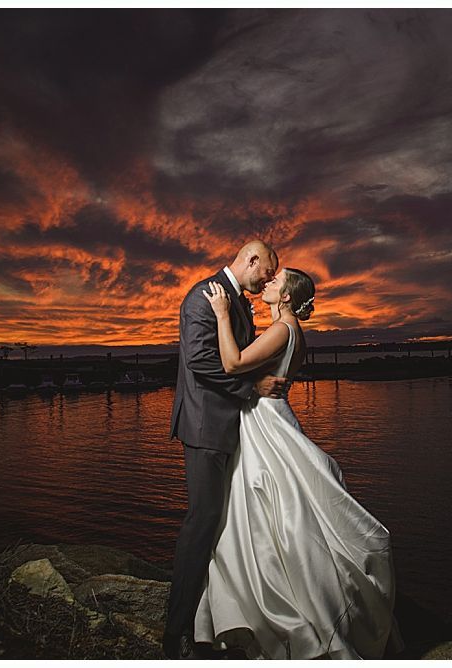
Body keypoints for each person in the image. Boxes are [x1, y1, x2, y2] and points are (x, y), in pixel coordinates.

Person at [193, 267, 401, 659]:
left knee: (265, 507)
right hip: (267, 415)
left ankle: (274, 608)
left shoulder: (284, 329)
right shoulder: (287, 329)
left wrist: (222, 314)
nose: (268, 283)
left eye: (276, 281)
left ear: (287, 296)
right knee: (271, 510)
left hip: (265, 421)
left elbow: (233, 364)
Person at [164, 240, 289, 660]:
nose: (267, 279)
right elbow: (201, 359)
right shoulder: (204, 295)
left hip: (227, 426)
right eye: (266, 271)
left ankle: (212, 619)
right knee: (202, 523)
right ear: (251, 260)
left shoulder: (234, 300)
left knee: (220, 522)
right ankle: (175, 630)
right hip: (204, 427)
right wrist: (251, 387)